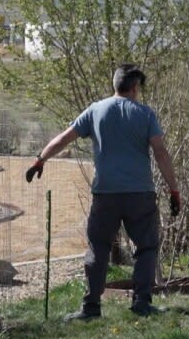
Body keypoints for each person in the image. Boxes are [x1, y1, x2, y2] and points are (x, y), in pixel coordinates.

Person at [25, 64, 180, 320]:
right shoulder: (145, 114)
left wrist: (40, 159)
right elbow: (161, 152)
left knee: (98, 248)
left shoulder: (95, 110)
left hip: (105, 193)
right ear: (134, 88)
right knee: (146, 247)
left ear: (115, 85)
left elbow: (65, 138)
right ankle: (142, 302)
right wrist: (174, 189)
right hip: (139, 193)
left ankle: (91, 308)